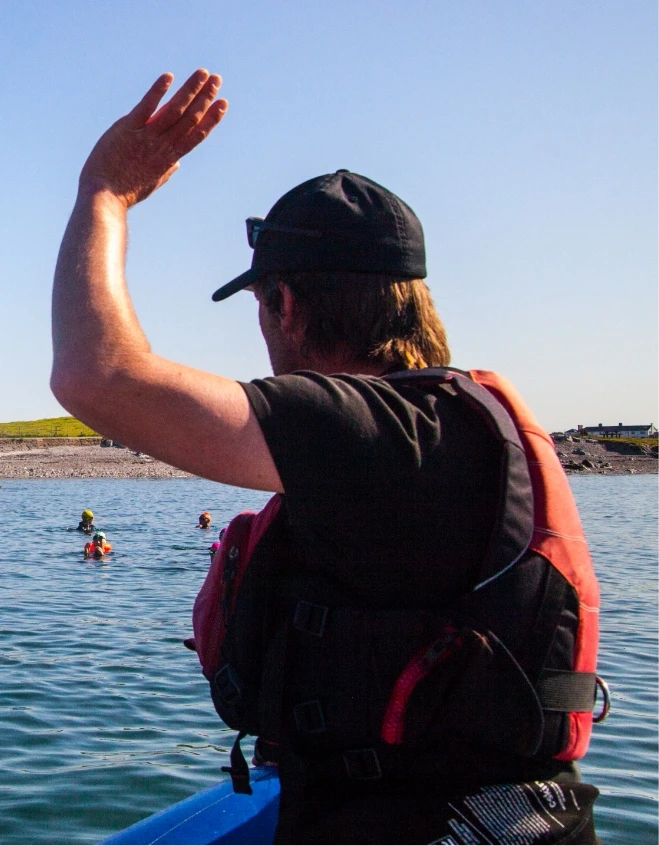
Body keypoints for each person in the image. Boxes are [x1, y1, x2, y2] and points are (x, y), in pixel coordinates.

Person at [50, 70, 605, 844]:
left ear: (285, 305)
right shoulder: (450, 422)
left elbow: (97, 376)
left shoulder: (377, 431)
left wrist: (104, 191)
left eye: (260, 309)